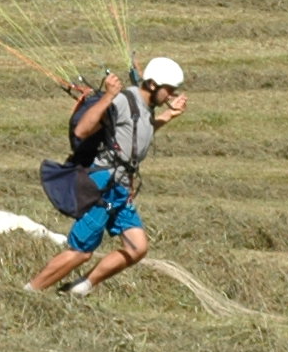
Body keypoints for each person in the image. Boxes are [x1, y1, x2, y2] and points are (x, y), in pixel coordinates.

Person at [27, 56, 188, 296]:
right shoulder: (123, 100)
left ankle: (80, 288)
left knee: (137, 248)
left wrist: (169, 115)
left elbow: (138, 132)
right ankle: (29, 291)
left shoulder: (146, 108)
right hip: (103, 190)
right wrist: (109, 96)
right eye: (170, 90)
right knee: (81, 251)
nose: (172, 96)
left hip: (119, 193)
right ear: (153, 85)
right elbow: (82, 130)